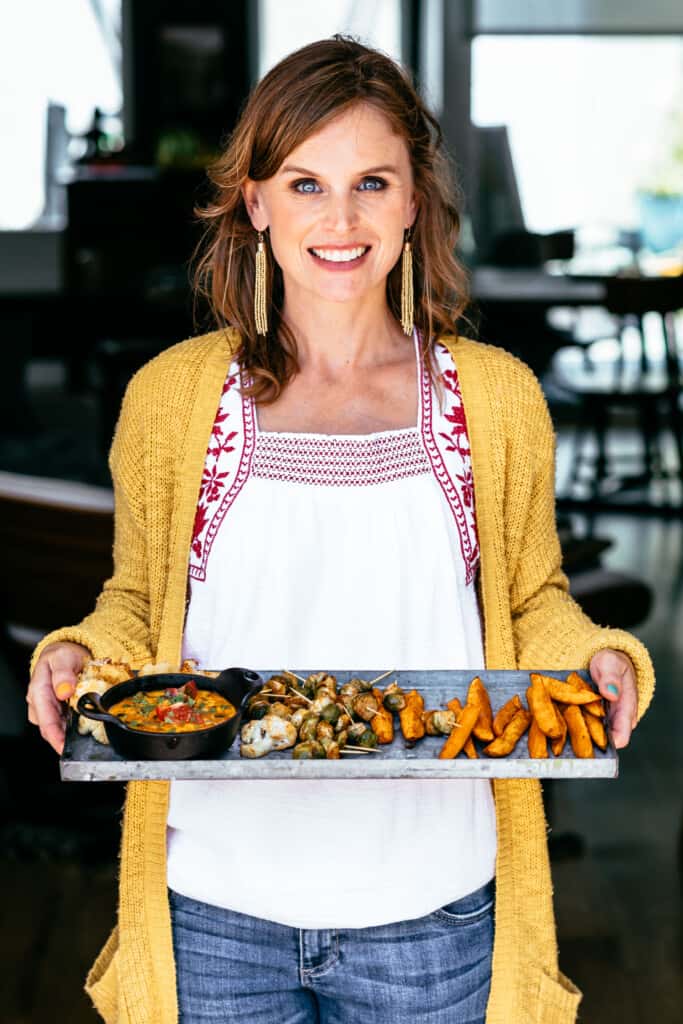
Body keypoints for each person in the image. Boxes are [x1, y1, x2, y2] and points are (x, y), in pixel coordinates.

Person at [27, 36, 654, 1024]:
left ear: (412, 200)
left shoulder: (491, 400)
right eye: (305, 183)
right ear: (256, 201)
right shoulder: (172, 398)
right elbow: (140, 601)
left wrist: (598, 660)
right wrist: (77, 656)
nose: (341, 218)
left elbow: (533, 600)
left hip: (428, 910)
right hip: (214, 909)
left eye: (371, 180)